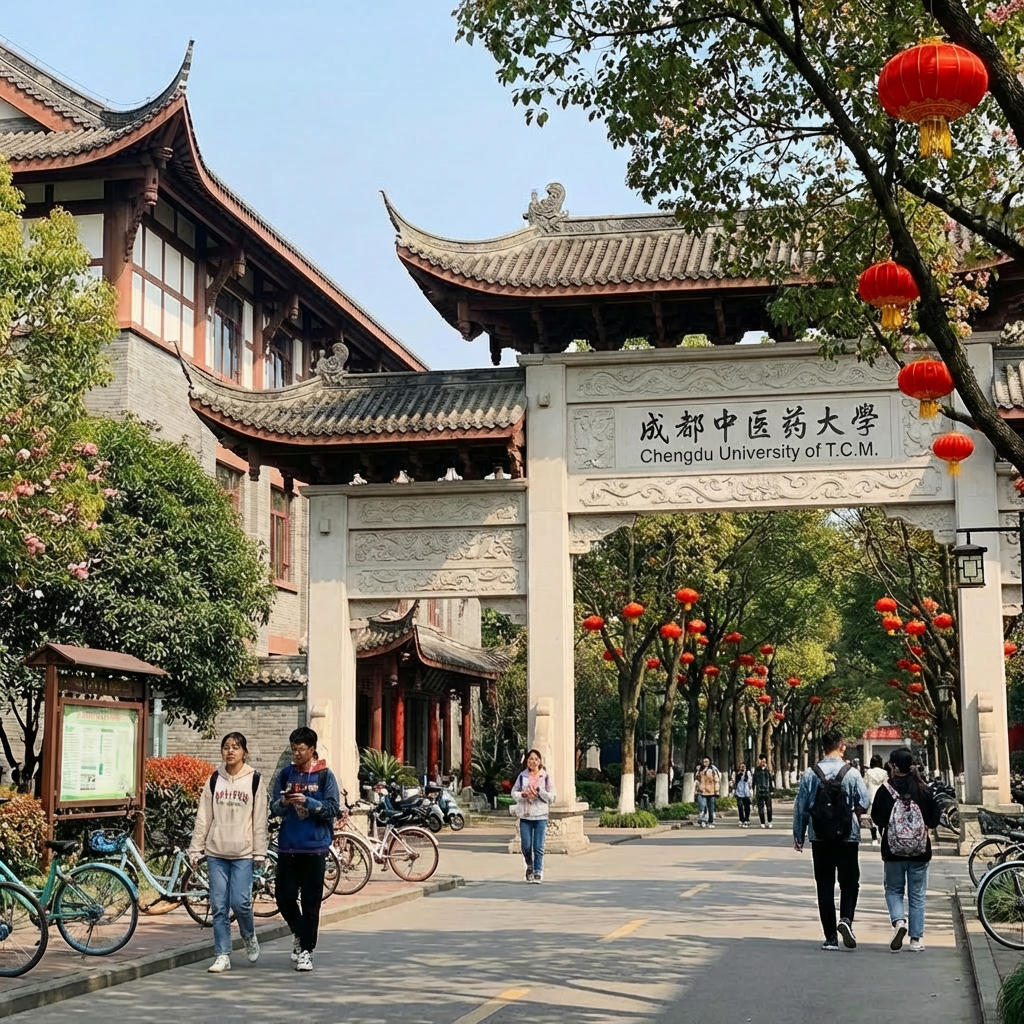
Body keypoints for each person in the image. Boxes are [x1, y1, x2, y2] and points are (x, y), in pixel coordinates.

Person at [189, 732, 268, 974]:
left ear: (245, 751)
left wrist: (260, 852)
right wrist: (196, 847)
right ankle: (222, 953)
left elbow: (260, 819)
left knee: (240, 902)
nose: (230, 751)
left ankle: (248, 935)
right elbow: (204, 816)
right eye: (226, 747)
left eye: (235, 747)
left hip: (244, 853)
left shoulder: (254, 779)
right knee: (219, 905)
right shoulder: (215, 779)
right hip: (216, 852)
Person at [270, 727, 341, 972]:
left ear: (312, 749)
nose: (297, 753)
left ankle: (307, 950)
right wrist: (284, 801)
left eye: (301, 749)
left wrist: (308, 802)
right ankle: (300, 933)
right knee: (284, 897)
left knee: (311, 902)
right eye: (294, 749)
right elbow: (274, 808)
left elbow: (333, 808)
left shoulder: (324, 776)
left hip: (314, 848)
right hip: (288, 845)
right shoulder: (285, 774)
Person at [792, 729, 870, 952]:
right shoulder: (852, 773)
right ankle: (846, 919)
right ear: (842, 747)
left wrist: (799, 835)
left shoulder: (810, 774)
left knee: (824, 885)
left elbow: (801, 807)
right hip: (848, 836)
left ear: (822, 747)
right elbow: (864, 800)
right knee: (849, 882)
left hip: (820, 836)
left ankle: (830, 939)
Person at [870, 746, 942, 953]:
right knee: (917, 895)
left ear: (893, 767)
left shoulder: (885, 790)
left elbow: (877, 818)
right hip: (920, 852)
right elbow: (934, 819)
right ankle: (916, 940)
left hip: (893, 852)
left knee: (893, 889)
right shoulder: (924, 789)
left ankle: (899, 922)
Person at [513, 749, 556, 883]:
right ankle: (529, 865)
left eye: (536, 759)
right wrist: (523, 795)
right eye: (531, 759)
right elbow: (514, 793)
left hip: (541, 815)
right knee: (526, 846)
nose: (533, 761)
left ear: (540, 762)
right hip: (526, 815)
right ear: (527, 761)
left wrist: (539, 791)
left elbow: (552, 797)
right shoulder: (522, 776)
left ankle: (538, 871)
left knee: (538, 846)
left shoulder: (545, 777)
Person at [863, 754, 889, 847]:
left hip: (871, 796)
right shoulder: (884, 773)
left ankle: (874, 838)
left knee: (872, 819)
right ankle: (882, 836)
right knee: (882, 818)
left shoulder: (868, 772)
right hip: (882, 797)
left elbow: (865, 784)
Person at [695, 758, 721, 828]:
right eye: (704, 761)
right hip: (701, 791)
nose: (705, 763)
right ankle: (703, 821)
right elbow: (696, 779)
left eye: (707, 761)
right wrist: (698, 771)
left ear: (709, 762)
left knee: (711, 808)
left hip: (711, 791)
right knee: (702, 807)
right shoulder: (700, 770)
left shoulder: (713, 770)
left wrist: (717, 790)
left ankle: (711, 821)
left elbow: (717, 781)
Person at [753, 755, 775, 829]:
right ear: (760, 762)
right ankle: (762, 822)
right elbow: (754, 781)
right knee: (761, 808)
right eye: (762, 761)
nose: (763, 763)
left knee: (769, 808)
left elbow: (770, 780)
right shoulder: (756, 771)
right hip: (759, 792)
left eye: (765, 762)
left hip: (767, 792)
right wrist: (753, 790)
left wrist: (771, 790)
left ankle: (769, 821)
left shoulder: (767, 771)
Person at [732, 762, 753, 828]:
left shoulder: (748, 773)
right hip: (739, 792)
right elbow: (733, 782)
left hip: (746, 793)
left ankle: (747, 818)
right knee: (740, 807)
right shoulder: (735, 773)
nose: (743, 768)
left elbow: (750, 782)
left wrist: (750, 791)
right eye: (741, 766)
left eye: (744, 766)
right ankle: (741, 819)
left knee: (747, 807)